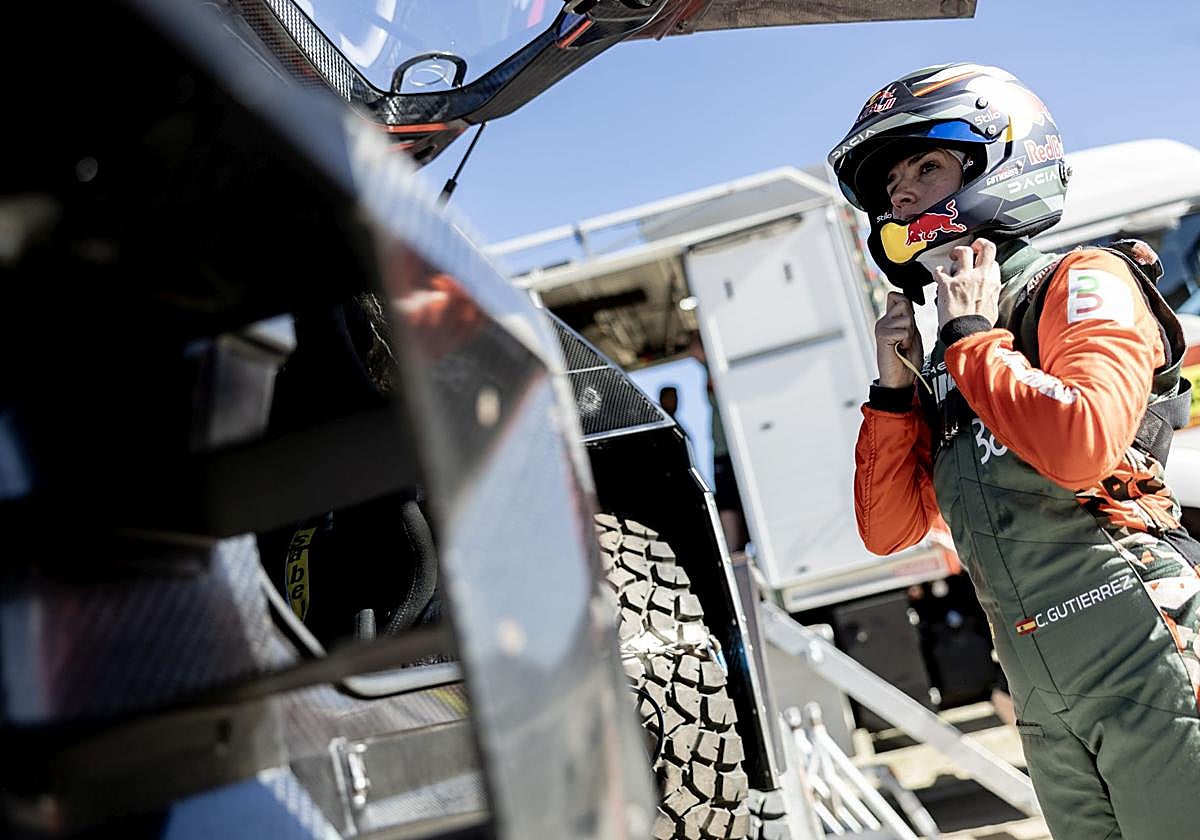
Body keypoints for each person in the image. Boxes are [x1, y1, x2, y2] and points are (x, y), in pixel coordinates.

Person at [830, 63, 1200, 839]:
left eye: (925, 167)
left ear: (999, 159)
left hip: (1148, 654)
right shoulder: (952, 359)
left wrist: (972, 338)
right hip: (1039, 692)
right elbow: (889, 531)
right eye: (891, 185)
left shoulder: (1082, 280)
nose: (901, 196)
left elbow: (1082, 445)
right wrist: (893, 391)